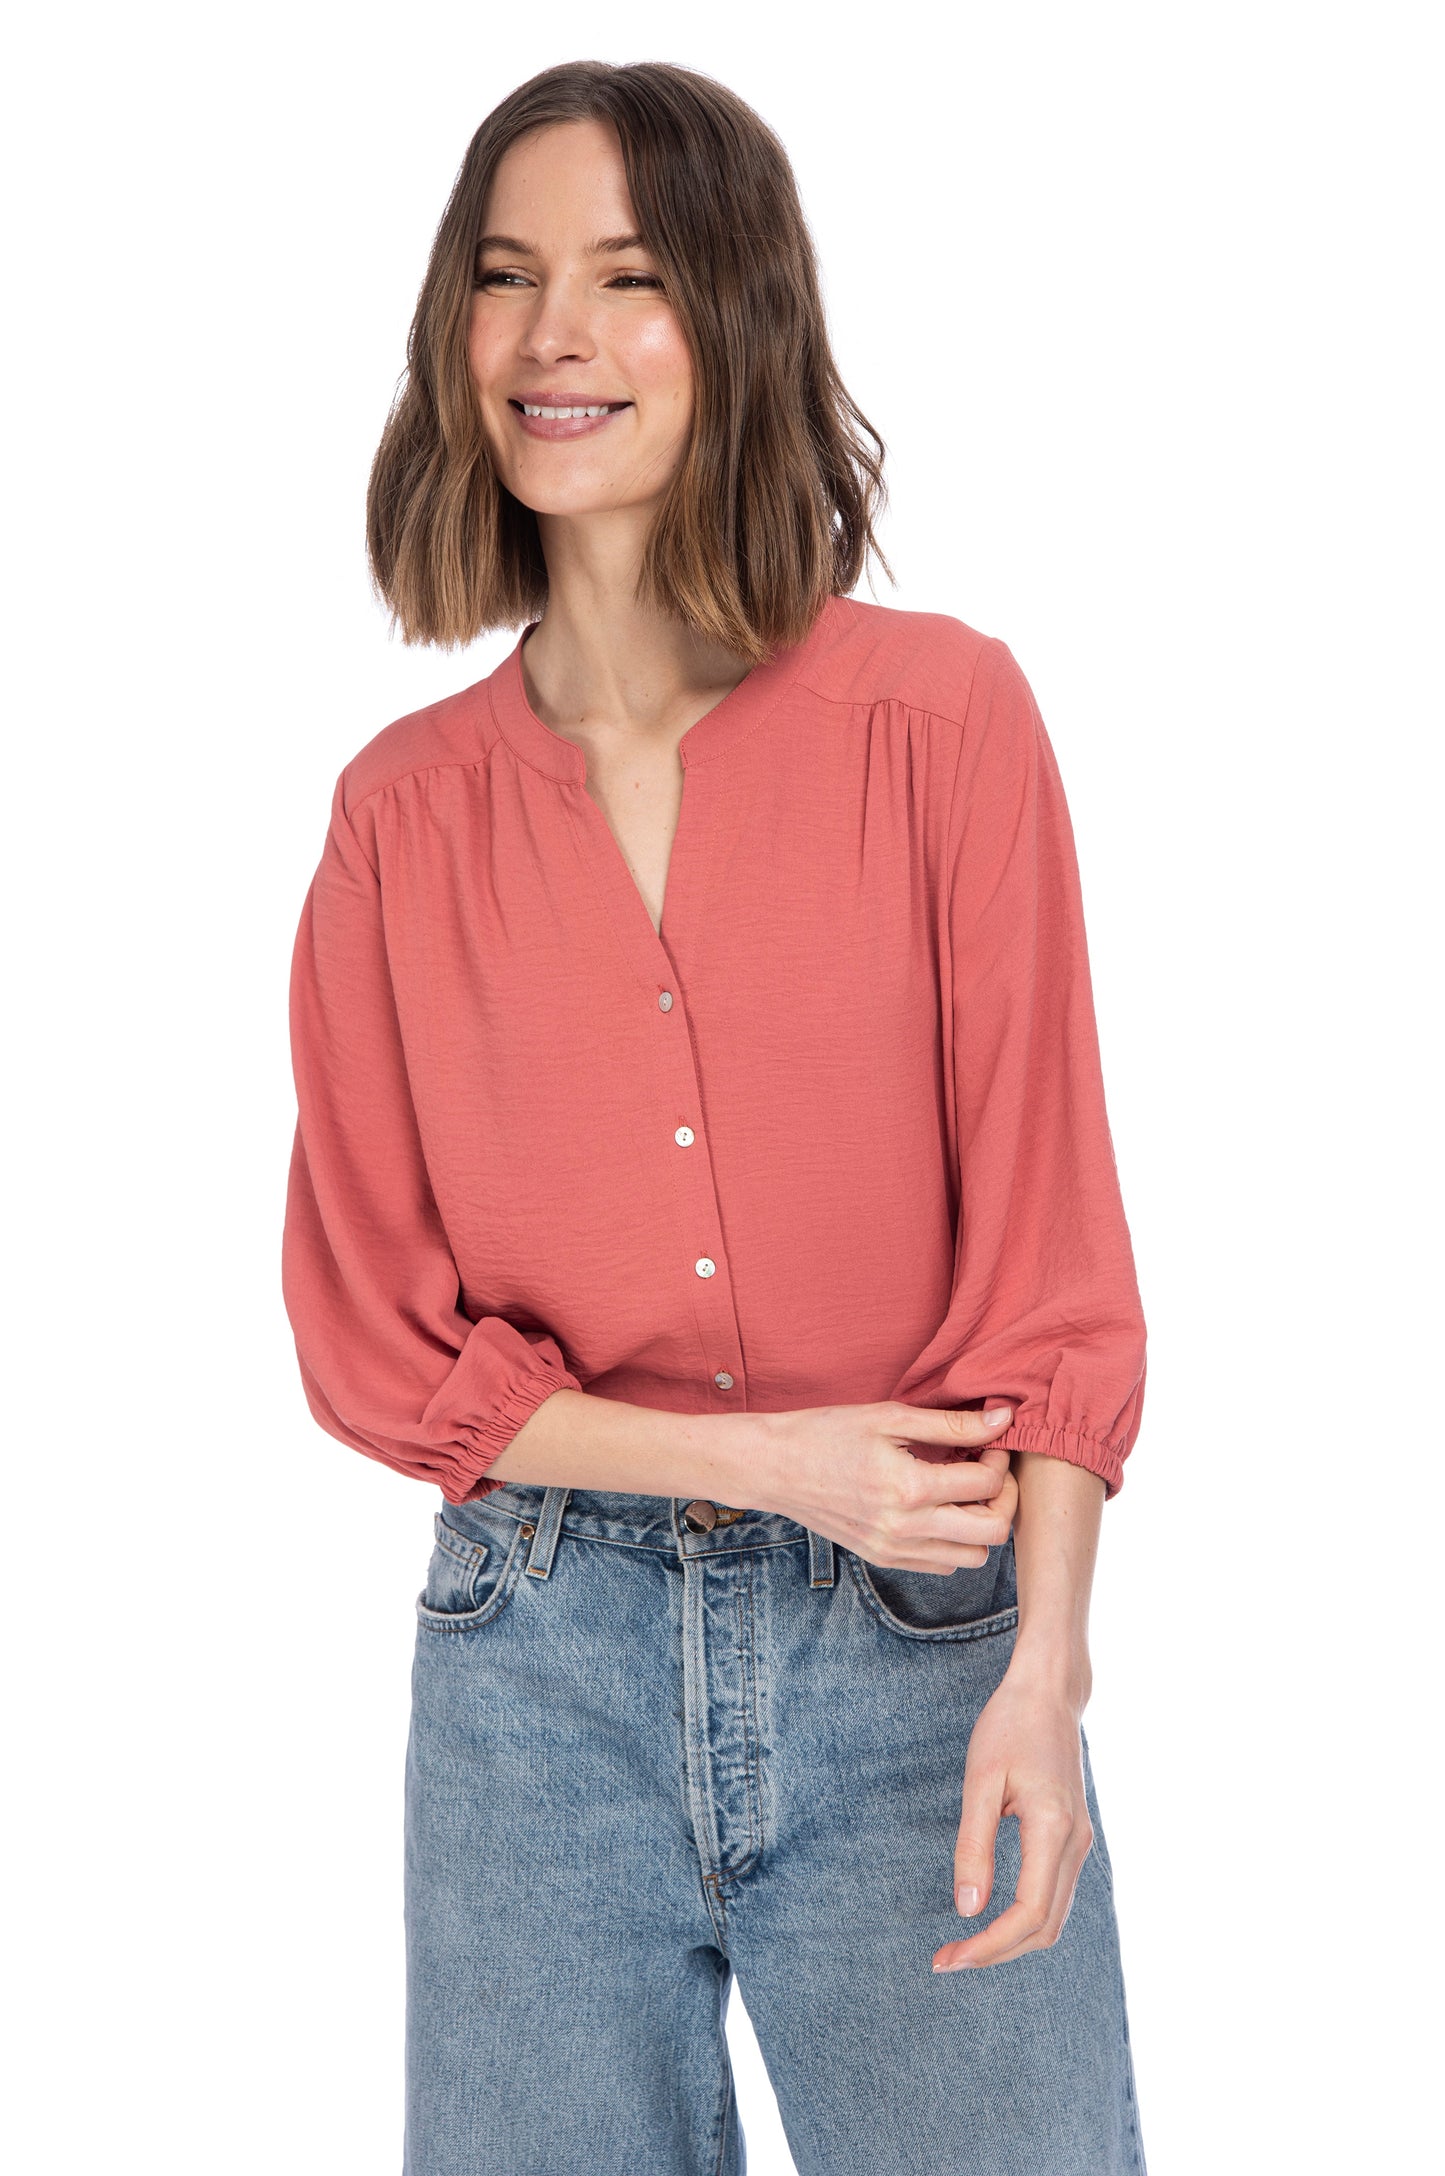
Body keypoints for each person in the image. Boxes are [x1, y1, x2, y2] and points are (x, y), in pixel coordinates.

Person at [282, 57, 1149, 2176]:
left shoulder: (941, 722)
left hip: (918, 1646)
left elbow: (1052, 1265)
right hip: (535, 1675)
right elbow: (374, 1342)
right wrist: (756, 1461)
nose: (551, 335)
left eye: (628, 277)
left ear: (736, 317)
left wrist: (1044, 1668)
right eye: (504, 277)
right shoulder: (400, 821)